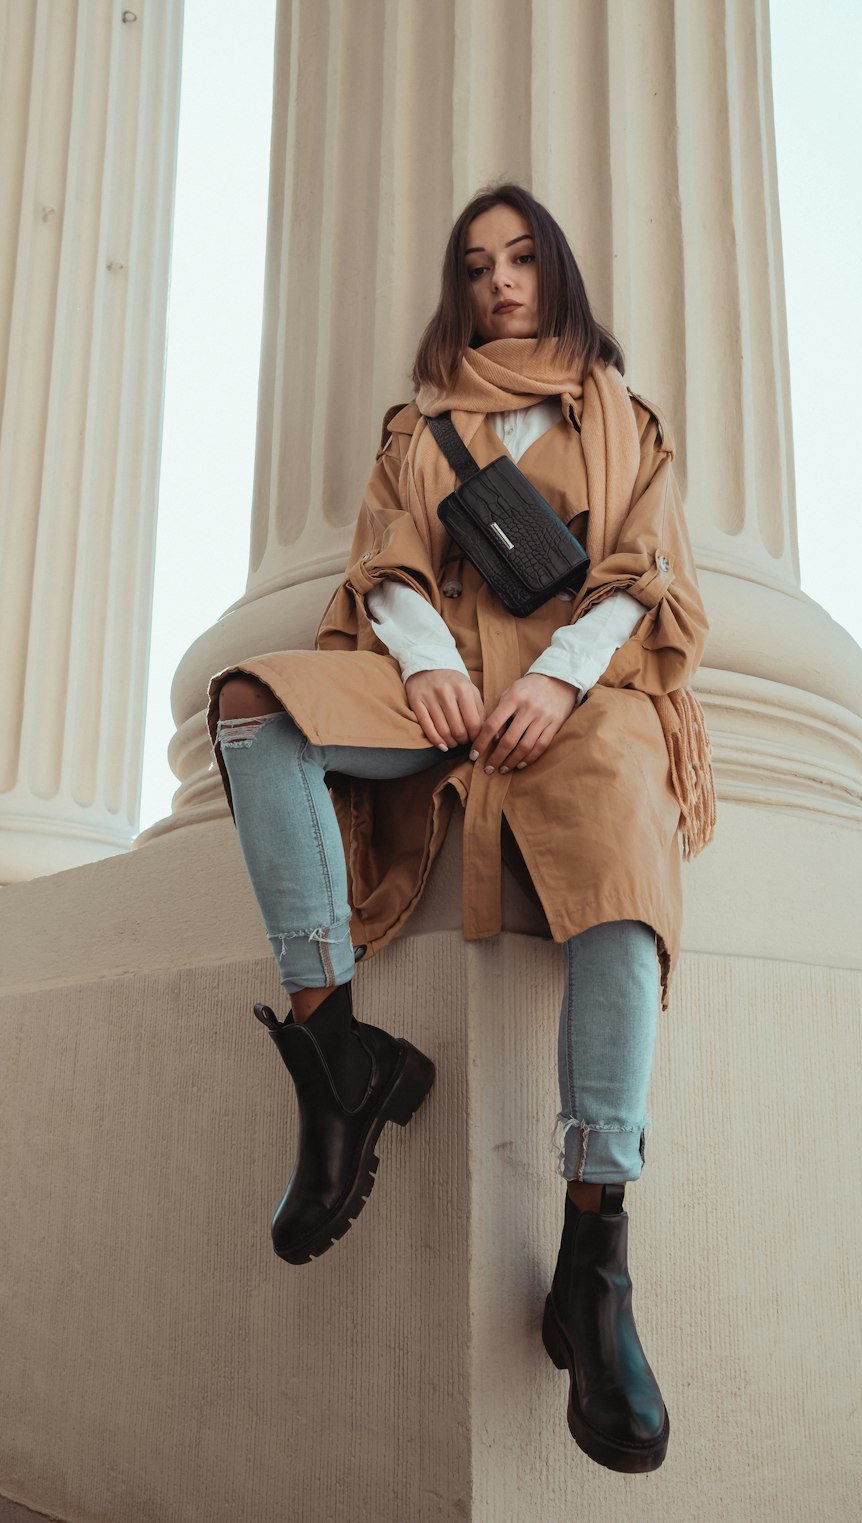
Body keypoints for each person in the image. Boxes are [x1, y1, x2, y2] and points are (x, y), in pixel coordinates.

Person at [206, 183, 713, 1475]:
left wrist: (555, 680)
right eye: (476, 263)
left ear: (557, 272)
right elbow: (384, 567)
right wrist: (426, 659)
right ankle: (335, 1051)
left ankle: (595, 1255)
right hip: (439, 684)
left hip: (576, 695)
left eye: (522, 256)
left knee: (624, 858)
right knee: (256, 708)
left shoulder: (624, 421)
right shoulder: (418, 432)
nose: (499, 280)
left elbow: (647, 577)